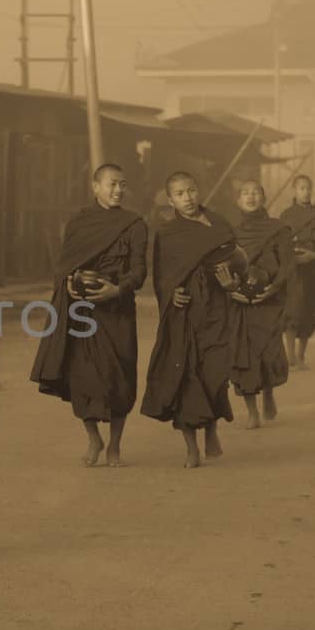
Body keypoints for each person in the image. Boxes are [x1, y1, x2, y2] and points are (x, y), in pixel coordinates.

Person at [30, 163, 148, 467]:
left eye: (122, 184)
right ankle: (94, 438)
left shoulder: (135, 224)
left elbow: (138, 271)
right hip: (82, 311)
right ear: (95, 187)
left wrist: (117, 289)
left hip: (118, 310)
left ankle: (115, 446)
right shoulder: (79, 222)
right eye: (111, 184)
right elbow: (65, 263)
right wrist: (68, 282)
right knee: (82, 378)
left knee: (119, 377)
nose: (118, 190)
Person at [140, 172, 242, 468]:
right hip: (184, 313)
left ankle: (210, 427)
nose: (188, 198)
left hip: (217, 310)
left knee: (215, 372)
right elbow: (161, 276)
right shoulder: (168, 234)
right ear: (170, 200)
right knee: (184, 375)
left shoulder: (220, 224)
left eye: (192, 190)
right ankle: (191, 448)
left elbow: (239, 266)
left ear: (200, 191)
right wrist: (171, 295)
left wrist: (231, 285)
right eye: (180, 193)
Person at [228, 179, 294, 428]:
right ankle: (251, 410)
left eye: (256, 192)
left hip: (270, 298)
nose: (251, 196)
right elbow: (222, 265)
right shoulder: (230, 232)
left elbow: (287, 264)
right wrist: (231, 290)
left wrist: (273, 288)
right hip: (241, 301)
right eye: (245, 192)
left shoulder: (278, 229)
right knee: (243, 354)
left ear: (264, 198)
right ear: (238, 200)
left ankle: (268, 392)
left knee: (268, 351)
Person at [279, 174, 315, 369]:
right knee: (292, 310)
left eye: (308, 188)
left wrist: (314, 255)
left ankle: (301, 356)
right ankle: (290, 356)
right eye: (301, 188)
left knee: (308, 311)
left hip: (312, 269)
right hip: (292, 269)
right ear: (294, 190)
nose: (306, 192)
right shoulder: (286, 214)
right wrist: (291, 255)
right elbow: (280, 241)